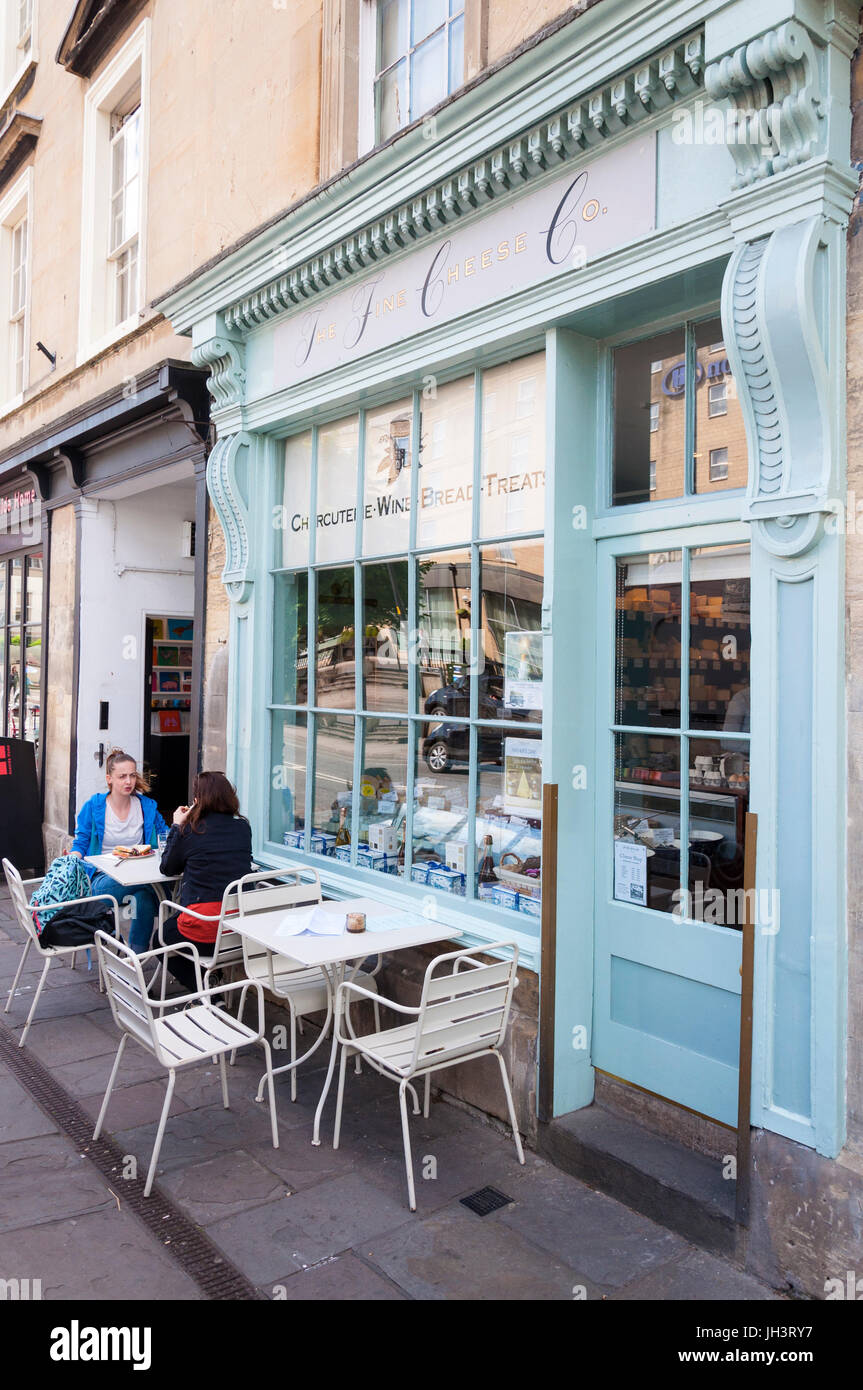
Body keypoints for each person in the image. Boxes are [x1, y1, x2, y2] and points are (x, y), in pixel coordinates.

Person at [158, 771, 253, 993]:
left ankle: (204, 991)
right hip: (239, 928)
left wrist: (176, 825)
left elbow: (167, 868)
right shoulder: (242, 828)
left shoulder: (191, 830)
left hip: (204, 929)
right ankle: (210, 980)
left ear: (198, 800)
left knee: (161, 939)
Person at [71, 748, 168, 953]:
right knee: (153, 889)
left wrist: (180, 825)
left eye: (132, 775)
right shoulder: (95, 806)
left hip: (140, 877)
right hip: (102, 880)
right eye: (122, 776)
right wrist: (72, 859)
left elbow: (165, 837)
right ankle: (172, 903)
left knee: (144, 898)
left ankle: (134, 958)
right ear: (109, 779)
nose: (128, 782)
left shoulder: (146, 806)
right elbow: (81, 842)